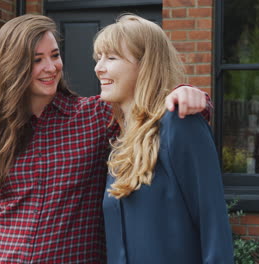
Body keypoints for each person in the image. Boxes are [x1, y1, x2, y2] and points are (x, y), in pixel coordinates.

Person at [0, 14, 210, 263]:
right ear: (11, 66)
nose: (51, 67)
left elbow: (151, 110)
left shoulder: (97, 116)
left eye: (55, 55)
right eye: (37, 60)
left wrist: (187, 94)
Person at [95, 14, 234, 263]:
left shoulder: (179, 123)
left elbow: (213, 227)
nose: (99, 68)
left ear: (145, 65)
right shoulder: (119, 139)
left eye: (111, 58)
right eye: (99, 58)